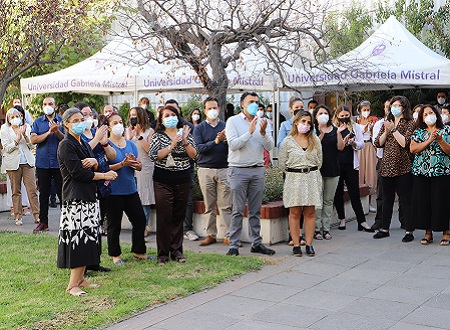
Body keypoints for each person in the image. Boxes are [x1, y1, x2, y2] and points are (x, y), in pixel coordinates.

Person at [57, 108, 118, 296]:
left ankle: (81, 279)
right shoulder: (66, 145)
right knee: (78, 241)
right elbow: (78, 173)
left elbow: (92, 163)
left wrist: (93, 161)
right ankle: (72, 286)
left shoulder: (82, 142)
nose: (80, 122)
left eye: (81, 119)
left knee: (88, 239)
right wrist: (103, 175)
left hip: (89, 198)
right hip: (76, 199)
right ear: (66, 124)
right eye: (75, 120)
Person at [225, 91, 275, 256]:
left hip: (257, 169)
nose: (255, 104)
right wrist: (249, 132)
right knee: (237, 209)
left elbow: (269, 146)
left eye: (256, 101)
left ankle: (256, 242)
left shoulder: (264, 122)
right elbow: (233, 145)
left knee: (255, 210)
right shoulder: (233, 121)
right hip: (238, 169)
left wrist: (262, 133)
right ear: (242, 104)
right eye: (251, 101)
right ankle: (234, 244)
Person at [149, 105, 197, 265]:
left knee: (178, 216)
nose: (170, 117)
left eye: (173, 114)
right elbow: (154, 156)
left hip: (182, 178)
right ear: (161, 120)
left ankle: (177, 251)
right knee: (164, 217)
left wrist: (183, 141)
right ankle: (162, 254)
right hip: (163, 180)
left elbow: (194, 155)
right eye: (166, 115)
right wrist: (171, 146)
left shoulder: (185, 133)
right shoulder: (157, 136)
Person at [105, 113, 152, 265]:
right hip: (113, 191)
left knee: (139, 220)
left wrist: (135, 164)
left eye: (120, 122)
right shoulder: (106, 145)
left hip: (130, 189)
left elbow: (138, 164)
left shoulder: (130, 144)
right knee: (114, 224)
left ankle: (139, 251)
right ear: (109, 127)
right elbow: (104, 167)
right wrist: (122, 164)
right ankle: (115, 255)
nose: (118, 125)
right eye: (114, 122)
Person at [79, 102, 116, 273]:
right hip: (88, 184)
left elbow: (111, 156)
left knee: (98, 223)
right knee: (86, 225)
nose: (88, 118)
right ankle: (83, 264)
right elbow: (84, 152)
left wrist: (105, 142)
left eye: (90, 115)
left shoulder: (96, 133)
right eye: (84, 115)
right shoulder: (78, 137)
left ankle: (95, 261)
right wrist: (96, 139)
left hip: (103, 183)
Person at [279, 110, 322, 257]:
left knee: (310, 212)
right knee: (295, 212)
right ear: (296, 122)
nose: (306, 125)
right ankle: (296, 244)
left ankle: (309, 244)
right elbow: (281, 163)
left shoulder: (315, 140)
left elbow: (320, 161)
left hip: (311, 178)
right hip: (294, 179)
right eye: (303, 121)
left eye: (309, 122)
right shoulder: (287, 141)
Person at [373, 95, 415, 242]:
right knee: (387, 199)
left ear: (404, 107)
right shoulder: (387, 122)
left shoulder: (410, 123)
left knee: (405, 200)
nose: (394, 108)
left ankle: (409, 230)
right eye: (393, 105)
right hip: (386, 166)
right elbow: (378, 142)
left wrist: (394, 130)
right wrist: (386, 130)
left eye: (397, 105)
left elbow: (406, 143)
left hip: (403, 166)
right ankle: (385, 228)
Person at [410, 104, 450, 246]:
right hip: (422, 172)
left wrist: (440, 140)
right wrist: (429, 141)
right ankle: (428, 233)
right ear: (421, 118)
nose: (428, 116)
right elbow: (413, 148)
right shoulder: (419, 132)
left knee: (441, 202)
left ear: (437, 114)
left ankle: (446, 232)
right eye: (425, 114)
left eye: (431, 113)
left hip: (441, 171)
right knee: (424, 202)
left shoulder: (446, 130)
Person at [193, 97, 231, 246]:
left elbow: (233, 147)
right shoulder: (200, 128)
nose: (212, 111)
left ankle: (229, 235)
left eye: (214, 107)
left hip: (224, 169)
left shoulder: (226, 126)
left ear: (219, 109)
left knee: (226, 205)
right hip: (205, 170)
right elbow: (199, 148)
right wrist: (215, 142)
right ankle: (211, 234)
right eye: (209, 108)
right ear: (204, 111)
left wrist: (226, 140)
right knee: (209, 205)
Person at [332, 104, 374, 232]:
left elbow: (361, 144)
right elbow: (331, 145)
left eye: (346, 115)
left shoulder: (355, 127)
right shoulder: (334, 128)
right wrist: (342, 142)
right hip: (337, 163)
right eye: (342, 116)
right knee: (338, 192)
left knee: (354, 192)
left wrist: (353, 143)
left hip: (351, 163)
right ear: (337, 116)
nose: (344, 118)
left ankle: (362, 221)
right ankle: (342, 219)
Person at [165, 99, 199, 241]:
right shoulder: (160, 129)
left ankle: (187, 229)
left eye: (174, 111)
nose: (171, 116)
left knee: (187, 200)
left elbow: (194, 150)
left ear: (179, 112)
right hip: (166, 170)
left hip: (186, 169)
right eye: (168, 112)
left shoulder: (188, 127)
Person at [30, 97, 64, 232]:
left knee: (62, 193)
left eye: (50, 104)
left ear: (55, 107)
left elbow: (67, 139)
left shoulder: (62, 121)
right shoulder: (38, 122)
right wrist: (48, 133)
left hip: (59, 162)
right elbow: (33, 139)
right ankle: (43, 222)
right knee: (43, 193)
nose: (47, 106)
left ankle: (65, 222)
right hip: (43, 162)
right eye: (45, 104)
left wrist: (57, 131)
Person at [1, 108, 40, 225]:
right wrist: (17, 140)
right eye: (12, 117)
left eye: (17, 116)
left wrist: (25, 136)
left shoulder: (27, 127)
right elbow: (6, 148)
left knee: (32, 190)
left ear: (21, 117)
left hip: (27, 163)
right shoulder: (4, 129)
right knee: (16, 191)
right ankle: (18, 216)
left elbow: (32, 146)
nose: (15, 119)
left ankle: (37, 215)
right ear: (8, 119)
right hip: (13, 164)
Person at [313, 105, 345, 240]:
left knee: (328, 201)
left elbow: (341, 147)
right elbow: (313, 149)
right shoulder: (312, 131)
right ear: (315, 116)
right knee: (317, 201)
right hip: (317, 171)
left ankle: (326, 228)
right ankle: (316, 229)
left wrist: (338, 134)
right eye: (320, 113)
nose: (323, 115)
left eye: (325, 113)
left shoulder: (336, 130)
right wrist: (320, 133)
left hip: (333, 169)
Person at [278, 96, 306, 246]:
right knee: (292, 202)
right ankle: (292, 235)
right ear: (290, 109)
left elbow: (313, 143)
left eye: (301, 106)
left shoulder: (309, 125)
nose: (299, 109)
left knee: (303, 202)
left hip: (305, 170)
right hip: (290, 169)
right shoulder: (285, 125)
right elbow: (281, 144)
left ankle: (300, 234)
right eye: (296, 107)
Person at [126, 106, 155, 236]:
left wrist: (139, 137)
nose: (133, 117)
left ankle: (144, 226)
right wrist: (129, 137)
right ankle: (136, 225)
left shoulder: (150, 131)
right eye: (131, 115)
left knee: (145, 198)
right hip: (130, 167)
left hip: (146, 167)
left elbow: (150, 151)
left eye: (135, 115)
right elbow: (123, 149)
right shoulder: (126, 131)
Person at [356, 100, 378, 212]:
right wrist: (362, 131)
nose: (366, 112)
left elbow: (376, 135)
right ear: (360, 110)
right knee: (360, 172)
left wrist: (372, 129)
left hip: (369, 145)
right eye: (364, 110)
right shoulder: (356, 120)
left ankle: (369, 203)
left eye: (368, 110)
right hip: (359, 147)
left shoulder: (373, 120)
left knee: (370, 173)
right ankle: (359, 203)